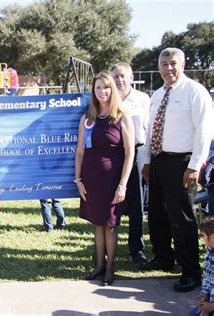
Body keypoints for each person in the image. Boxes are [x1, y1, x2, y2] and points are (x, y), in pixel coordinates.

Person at [141, 48, 213, 292]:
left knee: (182, 218)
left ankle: (190, 272)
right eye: (164, 64)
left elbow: (204, 131)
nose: (168, 68)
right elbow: (150, 130)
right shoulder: (158, 94)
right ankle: (163, 258)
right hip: (159, 161)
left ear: (182, 64)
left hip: (183, 163)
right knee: (157, 215)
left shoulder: (195, 91)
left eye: (173, 63)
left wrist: (195, 165)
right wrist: (147, 161)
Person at [75, 73, 135, 286]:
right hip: (91, 179)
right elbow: (80, 151)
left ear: (113, 90)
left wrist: (122, 185)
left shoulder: (122, 117)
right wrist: (78, 179)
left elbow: (130, 154)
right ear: (93, 91)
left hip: (112, 180)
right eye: (98, 88)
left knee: (110, 225)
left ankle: (110, 268)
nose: (102, 91)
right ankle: (99, 265)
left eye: (106, 87)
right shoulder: (87, 118)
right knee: (97, 224)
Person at [110, 62, 150, 265]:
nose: (119, 80)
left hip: (137, 153)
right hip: (113, 154)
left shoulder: (142, 99)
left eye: (123, 75)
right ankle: (109, 248)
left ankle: (137, 248)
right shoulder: (107, 100)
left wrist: (148, 159)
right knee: (111, 202)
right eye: (115, 76)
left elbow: (149, 131)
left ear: (131, 77)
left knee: (136, 204)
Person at [189, 216, 214, 316]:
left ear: (212, 237)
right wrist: (204, 294)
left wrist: (211, 307)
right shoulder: (210, 251)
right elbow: (207, 277)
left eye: (203, 234)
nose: (202, 238)